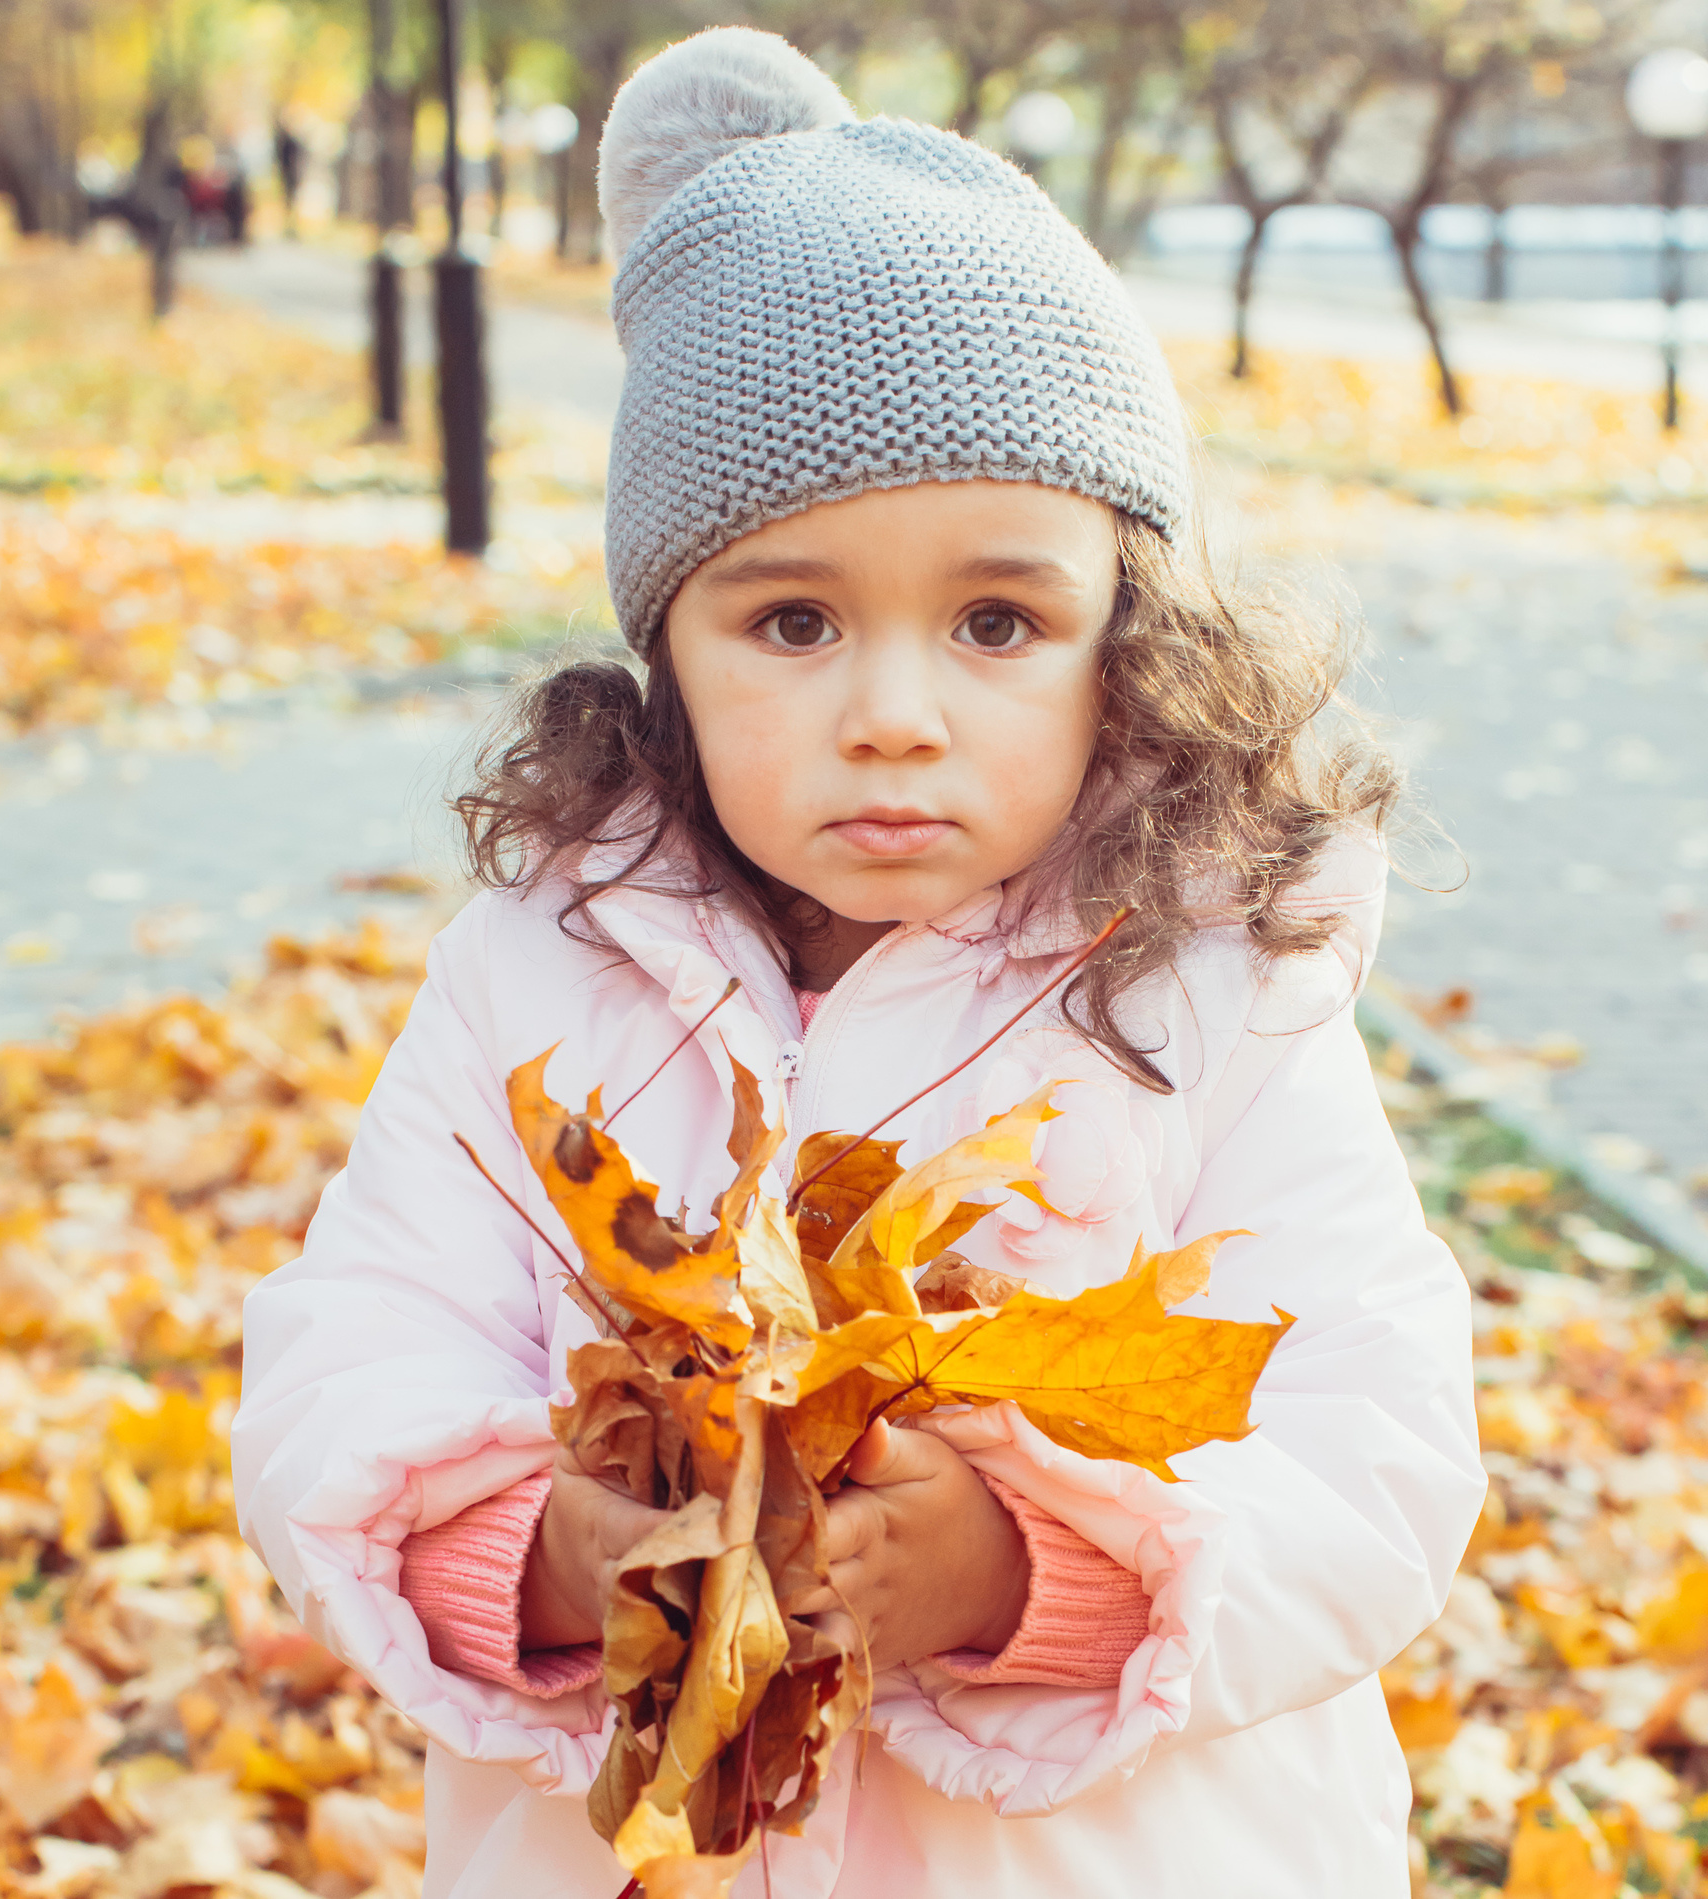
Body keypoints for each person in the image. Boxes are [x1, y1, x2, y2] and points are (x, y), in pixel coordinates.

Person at [231, 27, 1482, 1899]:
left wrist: (1023, 1568)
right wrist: (543, 1550)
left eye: (997, 620)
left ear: (1121, 641)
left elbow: (1370, 1440)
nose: (894, 715)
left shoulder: (1204, 1001)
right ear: (667, 647)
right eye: (794, 620)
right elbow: (354, 1350)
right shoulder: (536, 985)